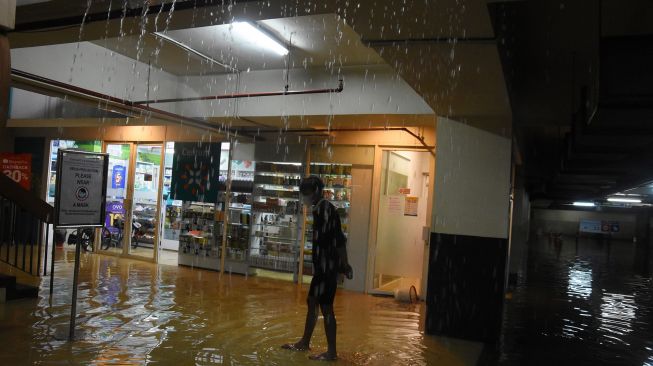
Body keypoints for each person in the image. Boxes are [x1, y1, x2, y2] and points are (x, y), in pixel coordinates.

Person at [282, 175, 353, 361]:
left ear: (316, 191)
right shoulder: (320, 209)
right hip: (324, 267)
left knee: (326, 308)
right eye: (302, 193)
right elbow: (337, 239)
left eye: (306, 193)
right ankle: (304, 342)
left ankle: (331, 352)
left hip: (327, 268)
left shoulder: (324, 210)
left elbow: (338, 240)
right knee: (312, 301)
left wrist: (343, 265)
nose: (304, 197)